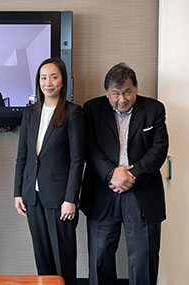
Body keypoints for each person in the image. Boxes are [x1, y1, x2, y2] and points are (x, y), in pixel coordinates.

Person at [80, 63, 169, 285]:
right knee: (99, 260)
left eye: (127, 92)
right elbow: (88, 147)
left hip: (142, 192)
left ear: (136, 88)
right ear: (107, 92)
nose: (122, 99)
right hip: (103, 192)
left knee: (143, 261)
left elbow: (159, 150)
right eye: (116, 94)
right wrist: (112, 174)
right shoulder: (91, 109)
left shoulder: (154, 109)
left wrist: (131, 176)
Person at [14, 58, 85, 285]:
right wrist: (18, 192)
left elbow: (77, 160)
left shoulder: (73, 113)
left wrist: (70, 199)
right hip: (32, 197)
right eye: (43, 77)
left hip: (60, 199)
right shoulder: (30, 113)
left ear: (62, 81)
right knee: (42, 260)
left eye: (54, 77)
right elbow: (22, 156)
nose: (48, 82)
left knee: (63, 260)